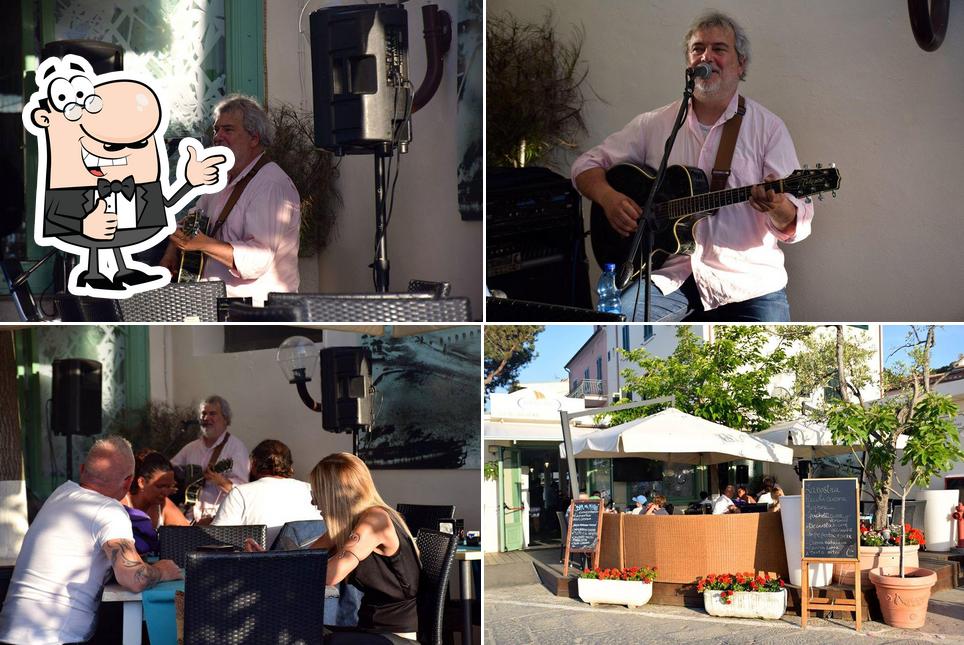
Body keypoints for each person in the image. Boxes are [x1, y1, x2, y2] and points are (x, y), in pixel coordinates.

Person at [571, 11, 814, 322]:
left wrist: (777, 207)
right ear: (689, 63)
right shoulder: (655, 124)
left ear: (741, 65)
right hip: (673, 277)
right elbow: (585, 166)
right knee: (618, 325)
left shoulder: (768, 129)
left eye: (719, 49)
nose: (706, 56)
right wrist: (608, 198)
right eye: (698, 49)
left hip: (750, 284)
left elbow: (798, 222)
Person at [0, 437, 181, 644]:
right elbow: (134, 578)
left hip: (10, 634)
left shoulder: (61, 493)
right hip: (55, 639)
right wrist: (162, 571)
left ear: (82, 469)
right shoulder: (109, 510)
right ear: (128, 481)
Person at [245, 453, 419, 641]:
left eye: (316, 493)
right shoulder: (349, 525)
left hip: (393, 635)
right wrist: (267, 559)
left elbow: (331, 574)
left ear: (334, 493)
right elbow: (305, 559)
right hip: (369, 627)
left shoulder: (375, 520)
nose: (313, 502)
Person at [161, 94, 301, 305]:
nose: (217, 137)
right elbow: (195, 219)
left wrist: (204, 244)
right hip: (221, 306)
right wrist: (172, 250)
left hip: (258, 312)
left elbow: (259, 260)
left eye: (228, 130)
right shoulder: (222, 179)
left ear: (254, 138)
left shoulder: (270, 184)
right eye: (216, 130)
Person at [211, 439, 322, 547]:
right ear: (289, 465)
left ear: (253, 464)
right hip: (311, 563)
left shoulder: (240, 493)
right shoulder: (311, 490)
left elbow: (216, 539)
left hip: (258, 564)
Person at [170, 395, 250, 522]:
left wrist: (221, 481)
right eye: (203, 414)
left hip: (220, 519)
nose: (206, 418)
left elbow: (244, 492)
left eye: (212, 414)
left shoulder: (236, 449)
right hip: (189, 519)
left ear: (225, 419)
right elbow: (170, 470)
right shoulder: (191, 448)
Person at [122, 450, 189, 554]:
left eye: (169, 486)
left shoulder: (163, 504)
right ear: (142, 482)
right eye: (160, 486)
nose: (166, 492)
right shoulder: (121, 504)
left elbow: (187, 534)